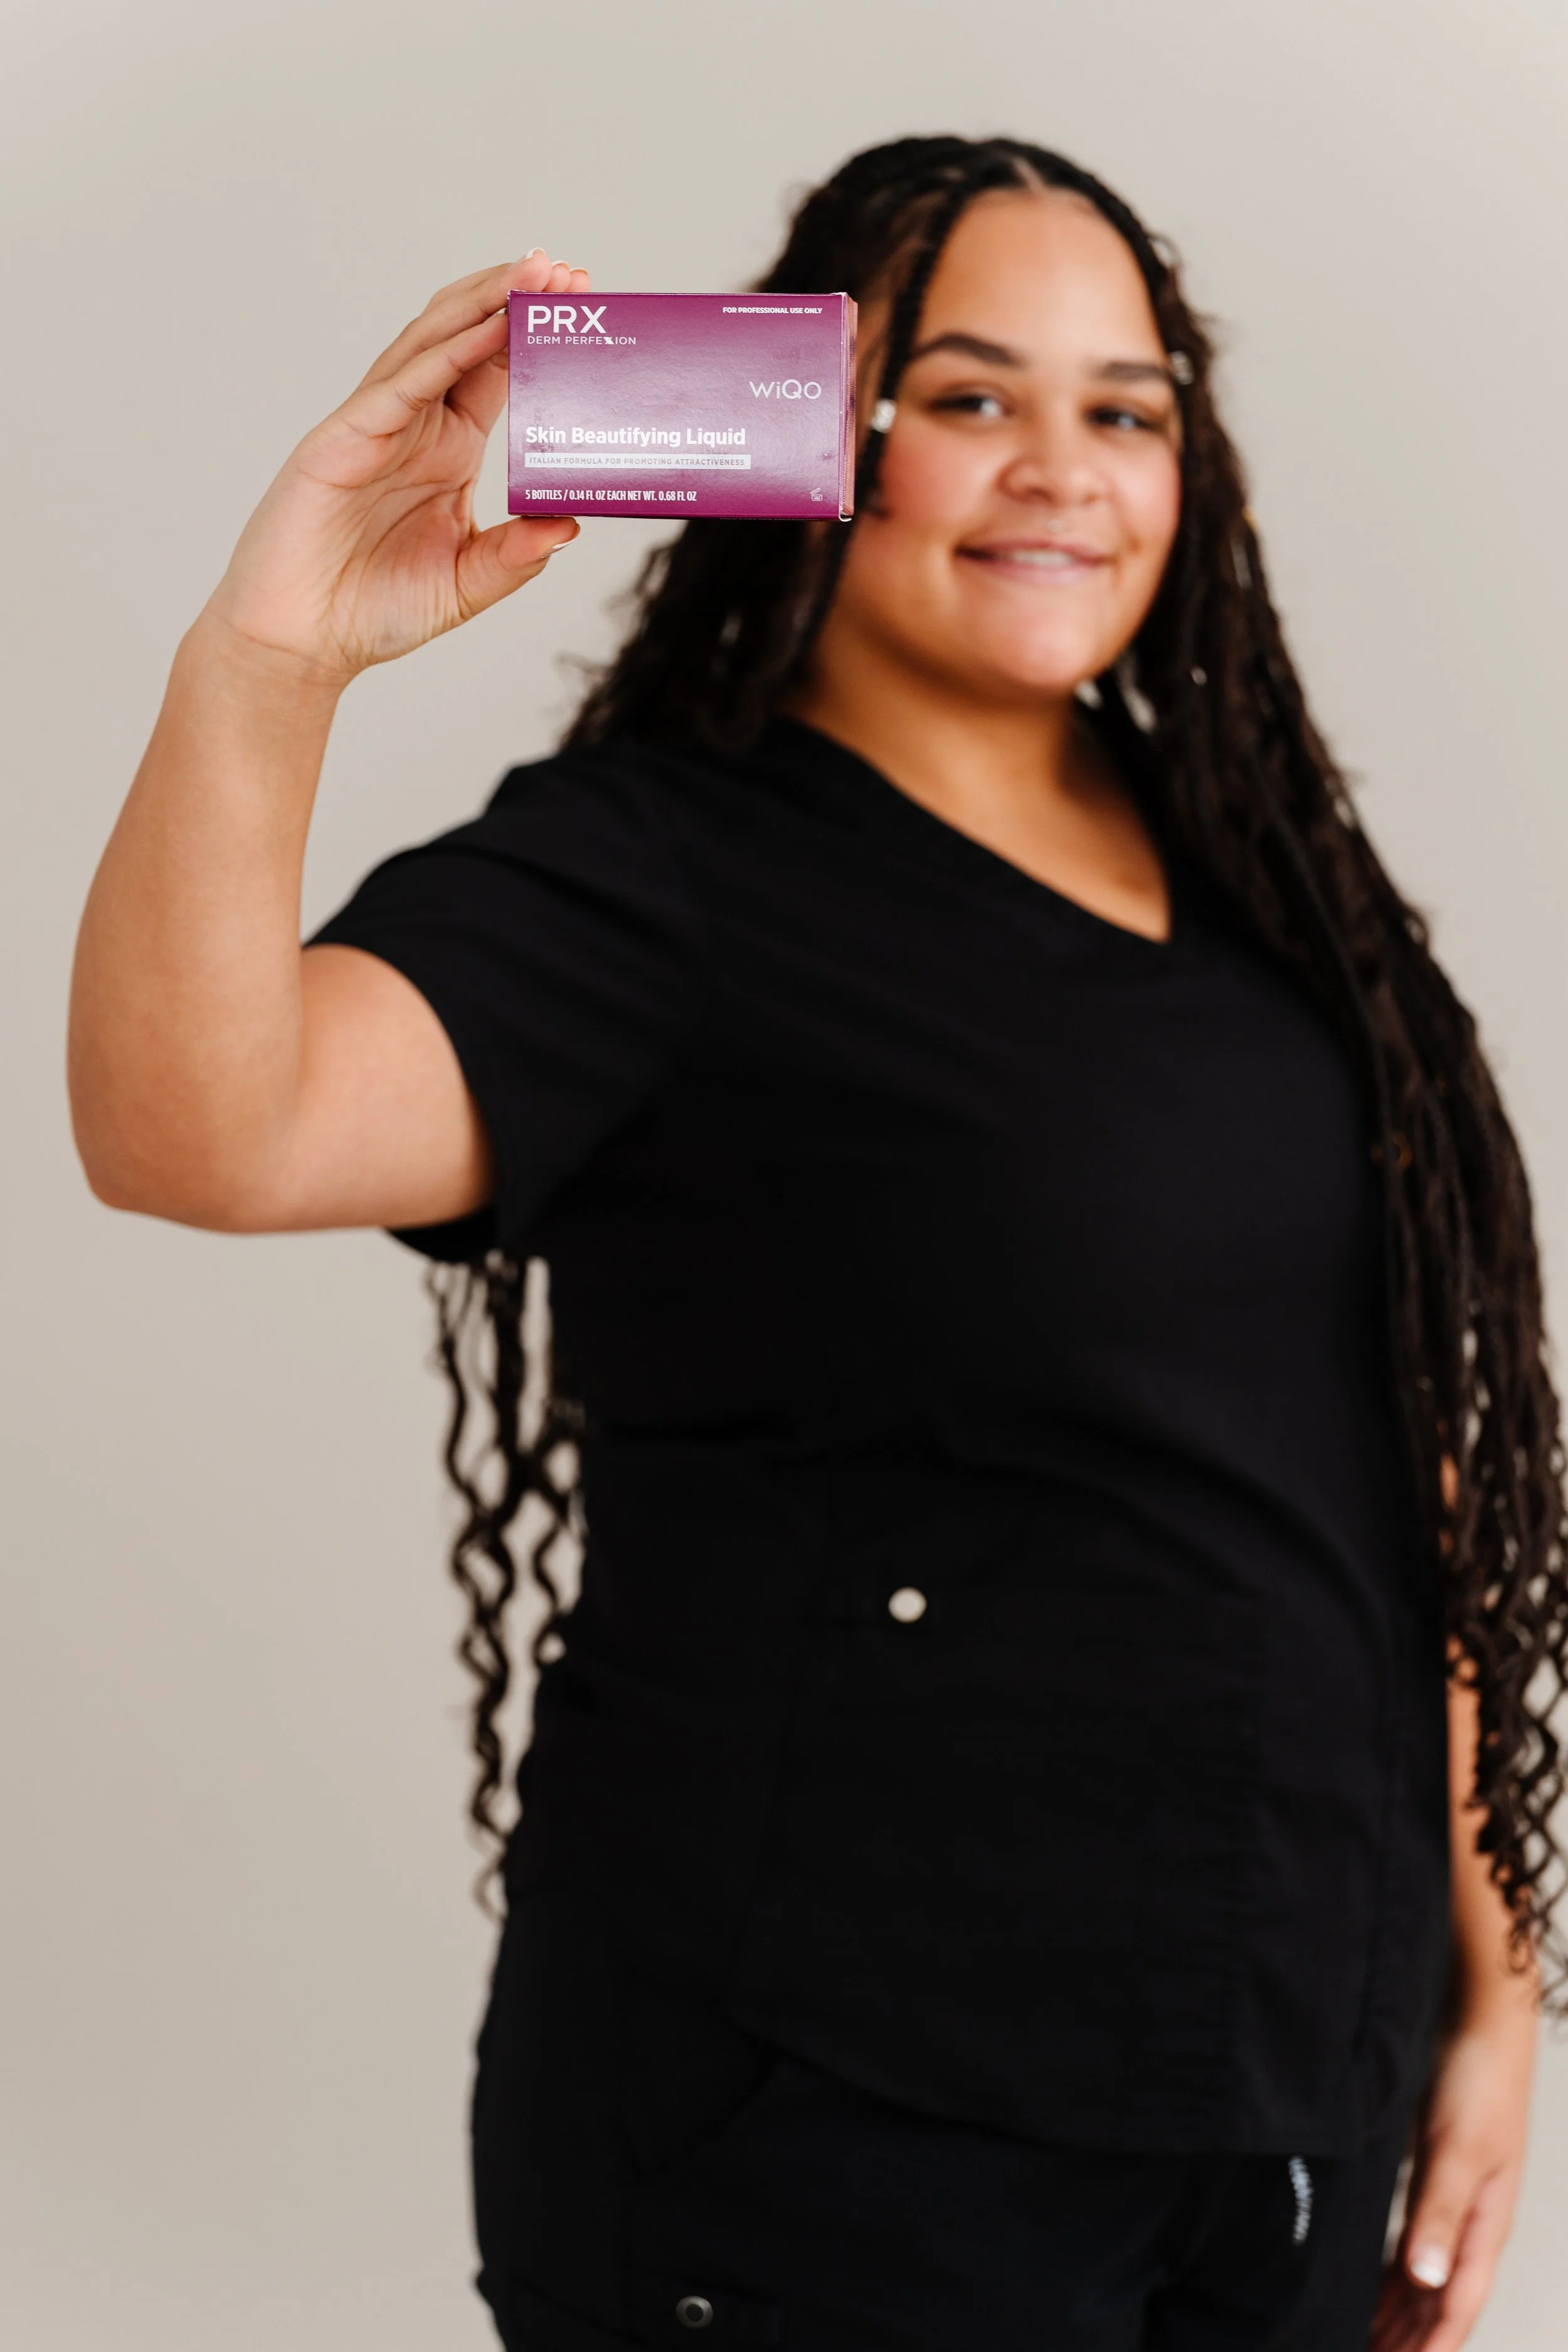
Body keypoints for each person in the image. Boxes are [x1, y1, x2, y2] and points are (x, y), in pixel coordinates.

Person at [68, 135, 1564, 2352]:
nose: (1055, 465)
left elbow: (1370, 1468)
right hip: (829, 2134)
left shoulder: (1268, 903)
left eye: (1123, 408)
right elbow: (201, 1125)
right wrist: (279, 648)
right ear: (801, 435)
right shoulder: (656, 879)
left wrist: (1486, 1971)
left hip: (1272, 2098)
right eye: (963, 394)